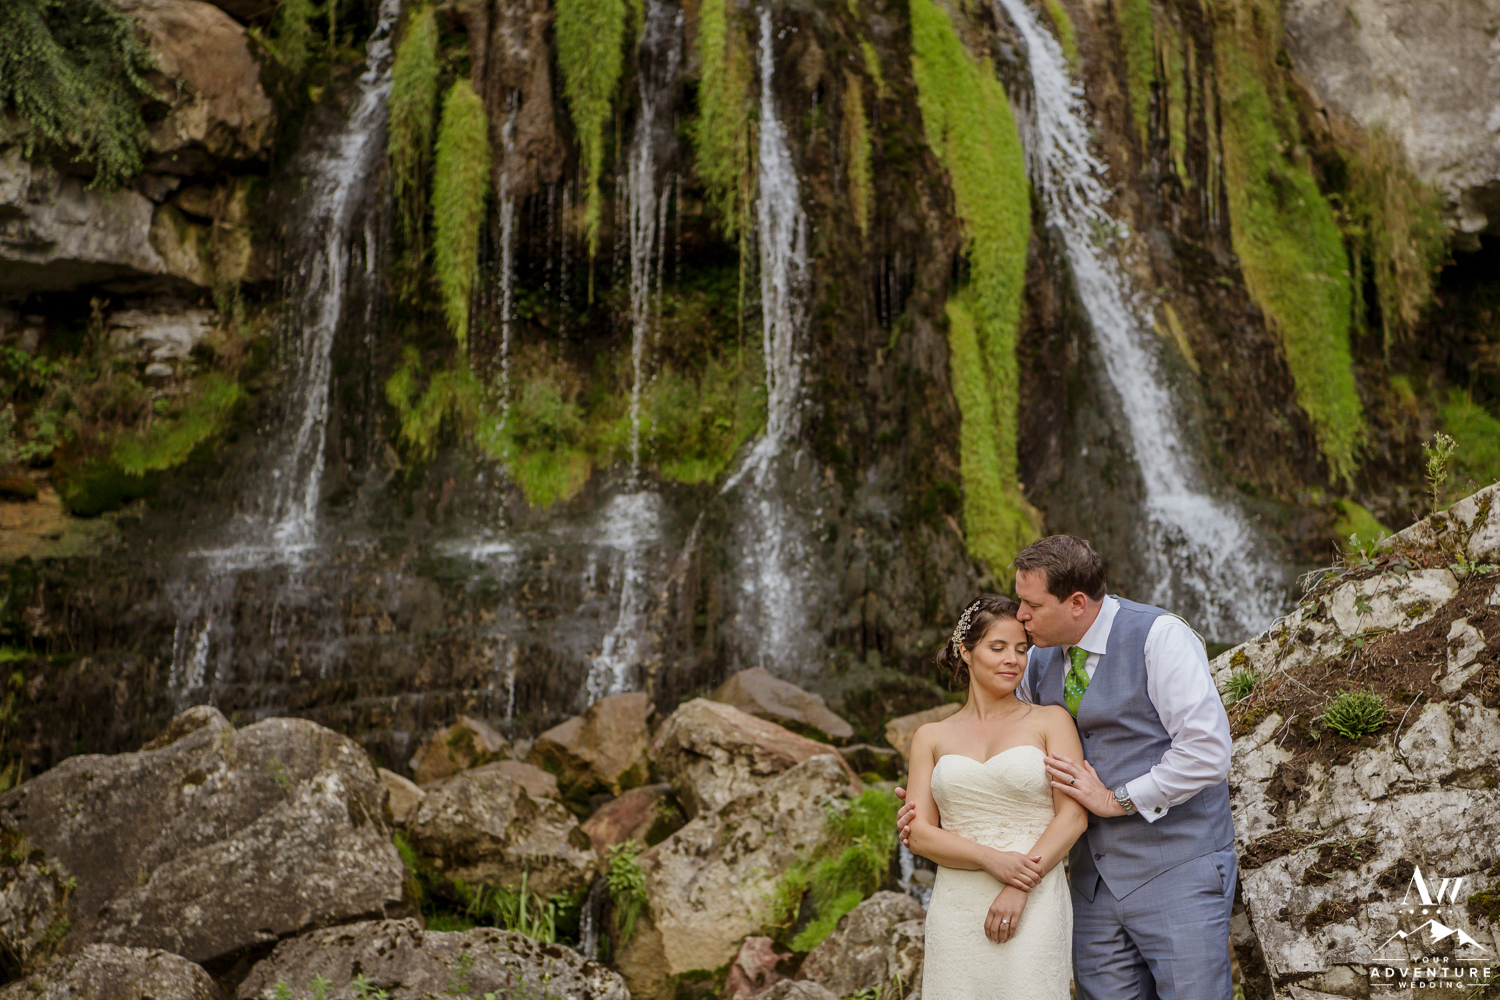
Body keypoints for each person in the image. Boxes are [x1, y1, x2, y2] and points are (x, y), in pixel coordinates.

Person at [899, 536, 1237, 1000]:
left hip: (1175, 867)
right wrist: (939, 797)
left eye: (1031, 604)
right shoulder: (1037, 658)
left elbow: (1208, 751)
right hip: (1089, 883)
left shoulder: (1160, 636)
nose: (1020, 615)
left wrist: (1116, 799)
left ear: (1076, 603)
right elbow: (1003, 751)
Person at [902, 593, 1088, 1000]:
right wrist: (992, 859)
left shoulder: (1051, 721)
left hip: (1034, 895)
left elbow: (1073, 817)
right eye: (998, 647)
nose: (1013, 660)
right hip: (956, 905)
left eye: (1021, 650)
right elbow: (918, 834)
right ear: (965, 652)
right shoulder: (929, 737)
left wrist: (1019, 884)